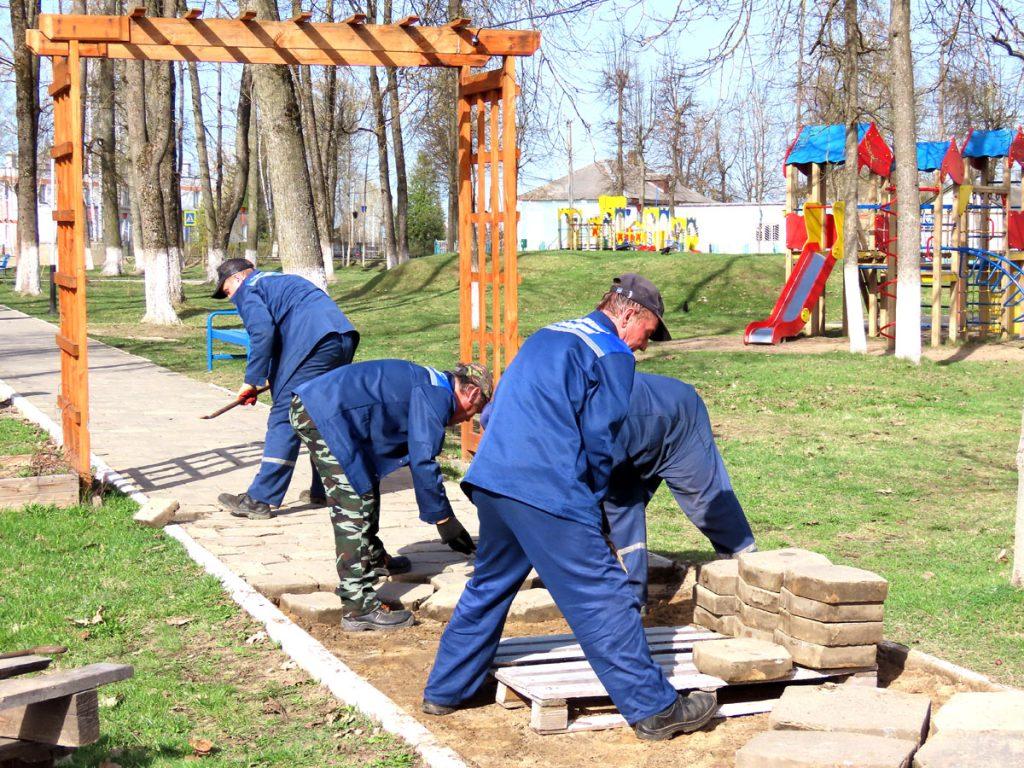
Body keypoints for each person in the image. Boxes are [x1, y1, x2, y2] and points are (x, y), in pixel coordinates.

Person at [423, 274, 718, 741]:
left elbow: (495, 412)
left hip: (495, 480)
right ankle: (655, 708)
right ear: (628, 314)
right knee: (603, 594)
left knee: (490, 586)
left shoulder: (549, 334)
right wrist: (593, 506)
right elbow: (602, 439)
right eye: (648, 333)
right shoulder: (611, 353)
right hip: (547, 488)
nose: (645, 346)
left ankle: (447, 689)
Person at [289, 359, 492, 631]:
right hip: (322, 413)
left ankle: (372, 557)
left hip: (325, 408)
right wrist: (444, 520)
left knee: (363, 483)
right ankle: (358, 607)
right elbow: (423, 460)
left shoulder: (432, 384)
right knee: (354, 505)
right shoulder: (437, 396)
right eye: (473, 411)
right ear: (472, 393)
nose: (467, 418)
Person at [212, 259, 359, 522]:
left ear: (236, 279)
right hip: (341, 338)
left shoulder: (249, 288)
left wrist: (251, 381)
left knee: (286, 414)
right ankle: (325, 489)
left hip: (313, 343)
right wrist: (267, 383)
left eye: (226, 291)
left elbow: (262, 333)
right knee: (318, 415)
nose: (230, 298)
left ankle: (260, 498)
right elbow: (281, 344)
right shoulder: (279, 281)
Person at [604, 372, 757, 608]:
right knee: (606, 513)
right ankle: (626, 600)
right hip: (633, 433)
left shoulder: (593, 428)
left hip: (678, 417)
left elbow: (616, 505)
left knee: (708, 504)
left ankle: (755, 577)